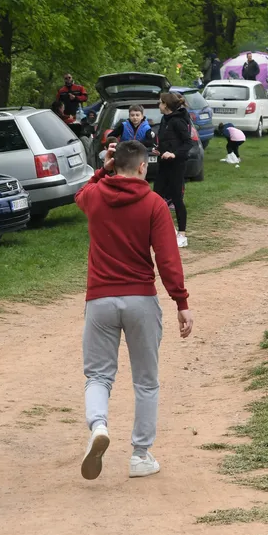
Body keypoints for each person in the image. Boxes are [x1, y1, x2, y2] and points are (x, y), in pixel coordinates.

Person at [76, 140, 193, 481]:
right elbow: (168, 259)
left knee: (98, 375)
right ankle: (140, 454)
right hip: (141, 299)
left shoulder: (95, 196)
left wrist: (103, 169)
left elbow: (81, 193)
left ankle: (98, 425)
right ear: (143, 167)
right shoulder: (154, 203)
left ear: (116, 164)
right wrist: (181, 302)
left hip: (99, 300)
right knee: (146, 381)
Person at [155, 92, 193, 249]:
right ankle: (164, 230)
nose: (158, 105)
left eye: (160, 102)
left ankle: (182, 234)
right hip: (163, 164)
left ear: (166, 105)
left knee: (177, 199)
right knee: (156, 197)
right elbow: (166, 140)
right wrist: (160, 149)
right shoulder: (165, 119)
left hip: (177, 165)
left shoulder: (178, 121)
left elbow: (187, 143)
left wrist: (174, 154)